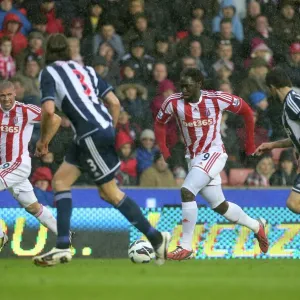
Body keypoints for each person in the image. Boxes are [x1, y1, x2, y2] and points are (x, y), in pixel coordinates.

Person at [32, 33, 170, 266]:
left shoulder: (48, 73)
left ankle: (156, 239)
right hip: (95, 131)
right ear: (68, 51)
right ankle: (63, 246)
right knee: (60, 182)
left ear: (48, 52)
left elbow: (47, 110)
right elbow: (114, 102)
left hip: (89, 134)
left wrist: (43, 140)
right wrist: (110, 129)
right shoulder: (85, 70)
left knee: (110, 193)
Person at [154, 68, 269, 260]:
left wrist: (250, 144)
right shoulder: (173, 103)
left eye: (188, 86)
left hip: (214, 153)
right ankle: (257, 226)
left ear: (199, 84)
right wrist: (164, 149)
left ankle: (186, 246)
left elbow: (247, 111)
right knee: (219, 205)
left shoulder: (216, 99)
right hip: (193, 158)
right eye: (181, 85)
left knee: (187, 191)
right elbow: (159, 124)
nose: (184, 89)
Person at [0, 80, 59, 252]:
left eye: (9, 95)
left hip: (18, 163)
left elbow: (54, 119)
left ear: (14, 94)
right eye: (2, 96)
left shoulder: (24, 111)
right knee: (33, 207)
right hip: (5, 167)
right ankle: (65, 236)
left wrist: (44, 141)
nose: (6, 99)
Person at [255, 68, 300, 214]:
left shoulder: (293, 102)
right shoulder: (290, 103)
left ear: (272, 87)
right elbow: (295, 137)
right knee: (294, 203)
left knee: (294, 203)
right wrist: (272, 145)